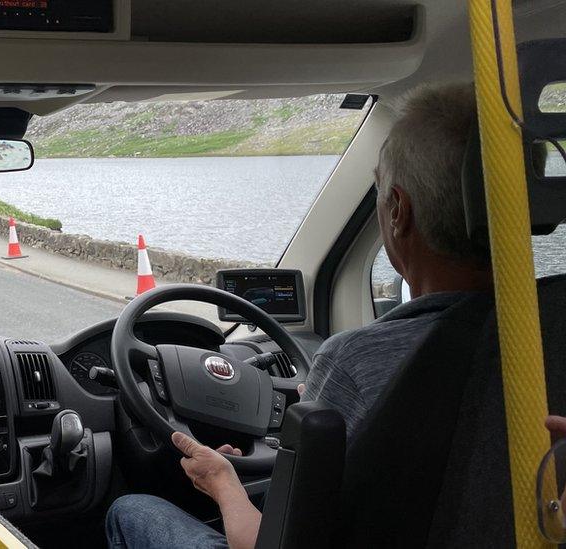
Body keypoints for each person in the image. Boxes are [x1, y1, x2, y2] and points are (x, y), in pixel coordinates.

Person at [107, 82, 496, 548]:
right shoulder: (550, 330)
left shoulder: (353, 362)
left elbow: (272, 543)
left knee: (131, 511)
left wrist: (224, 483)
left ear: (397, 212)